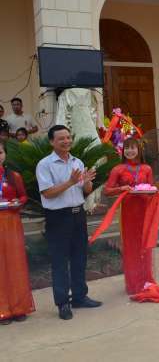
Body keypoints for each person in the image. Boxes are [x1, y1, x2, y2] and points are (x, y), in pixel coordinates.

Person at [36, 125, 102, 320]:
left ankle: (80, 297)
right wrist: (70, 182)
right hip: (58, 217)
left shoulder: (78, 162)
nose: (66, 141)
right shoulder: (45, 164)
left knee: (79, 257)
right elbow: (47, 192)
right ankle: (63, 303)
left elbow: (84, 191)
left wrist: (88, 182)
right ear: (51, 142)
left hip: (77, 215)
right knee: (59, 261)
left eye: (68, 137)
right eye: (61, 139)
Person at [103, 138, 159, 297]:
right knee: (131, 246)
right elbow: (107, 190)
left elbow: (151, 188)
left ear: (139, 150)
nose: (130, 151)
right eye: (127, 148)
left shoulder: (146, 168)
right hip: (129, 213)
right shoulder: (118, 169)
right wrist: (122, 188)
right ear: (123, 151)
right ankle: (133, 283)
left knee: (145, 245)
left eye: (133, 148)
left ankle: (147, 279)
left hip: (145, 211)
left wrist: (152, 192)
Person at [0, 141, 35, 325]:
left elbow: (23, 196)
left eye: (0, 152)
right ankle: (3, 309)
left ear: (5, 154)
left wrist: (17, 203)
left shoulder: (14, 176)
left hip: (12, 222)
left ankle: (19, 307)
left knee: (15, 263)